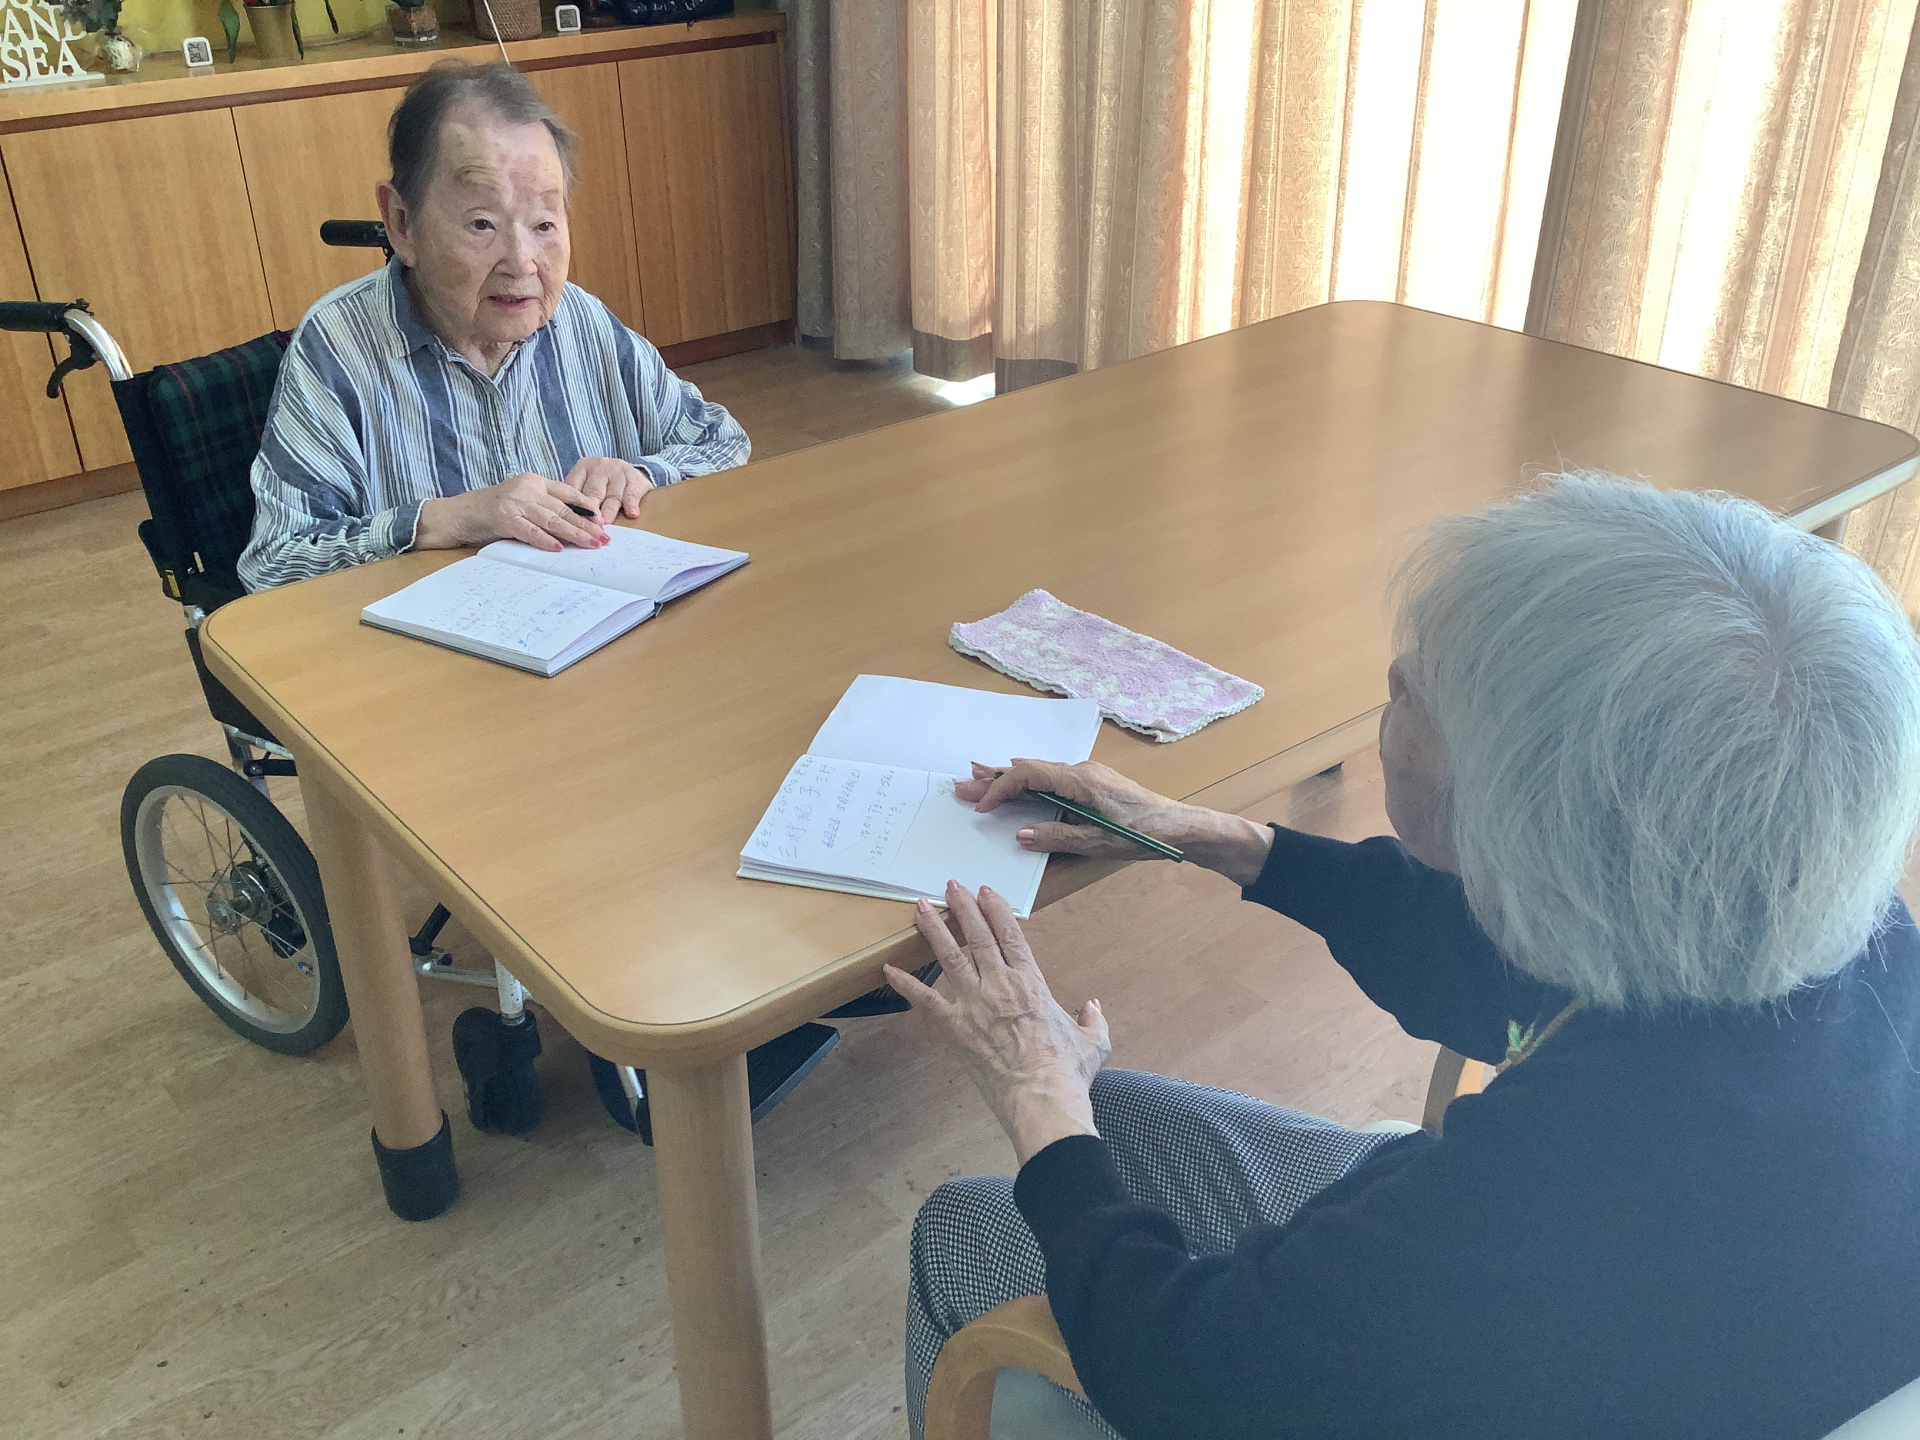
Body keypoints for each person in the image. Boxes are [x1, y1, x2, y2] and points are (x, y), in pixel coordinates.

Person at [887, 473, 1920, 1440]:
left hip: (1438, 1351)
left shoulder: (1542, 1203)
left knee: (969, 1225)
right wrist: (1216, 838)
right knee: (1109, 1113)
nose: (1395, 679)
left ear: (1521, 822)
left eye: (1431, 691)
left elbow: (1188, 1372)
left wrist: (1035, 1093)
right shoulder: (1820, 918)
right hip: (1601, 1338)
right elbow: (1497, 968)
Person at [237, 60, 747, 592]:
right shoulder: (338, 347)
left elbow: (722, 442)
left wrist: (640, 474)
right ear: (402, 223)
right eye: (482, 224)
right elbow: (272, 565)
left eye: (544, 224)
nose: (522, 263)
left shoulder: (581, 321)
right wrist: (445, 520)